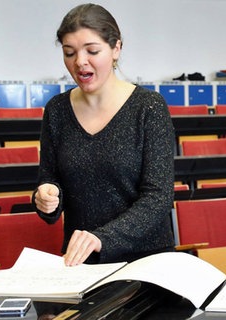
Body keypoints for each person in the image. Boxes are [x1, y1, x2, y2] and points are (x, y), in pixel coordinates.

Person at [32, 3, 175, 266]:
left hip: (146, 263)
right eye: (69, 52)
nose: (80, 62)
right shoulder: (56, 110)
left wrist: (102, 238)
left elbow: (158, 198)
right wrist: (46, 197)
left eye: (92, 51)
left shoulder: (148, 107)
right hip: (82, 263)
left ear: (116, 49)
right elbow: (49, 179)